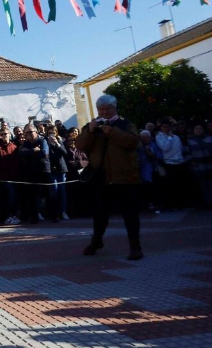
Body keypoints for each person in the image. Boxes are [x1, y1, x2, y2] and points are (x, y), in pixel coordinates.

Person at [77, 94, 144, 261]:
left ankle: (135, 247)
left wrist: (112, 132)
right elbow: (80, 146)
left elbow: (133, 142)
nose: (105, 112)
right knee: (100, 213)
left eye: (108, 108)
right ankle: (96, 241)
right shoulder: (92, 126)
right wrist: (90, 131)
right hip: (100, 177)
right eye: (101, 109)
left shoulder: (125, 124)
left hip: (125, 177)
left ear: (115, 108)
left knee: (130, 213)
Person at [18, 125, 50, 224]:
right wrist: (34, 151)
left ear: (36, 132)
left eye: (31, 132)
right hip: (31, 172)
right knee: (32, 196)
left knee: (49, 194)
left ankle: (54, 215)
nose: (29, 134)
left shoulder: (42, 141)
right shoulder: (25, 144)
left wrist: (29, 154)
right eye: (27, 133)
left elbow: (44, 153)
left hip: (43, 171)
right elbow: (21, 154)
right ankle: (34, 217)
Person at [155, 117, 187, 210]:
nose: (166, 129)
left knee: (181, 185)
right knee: (171, 186)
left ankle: (182, 204)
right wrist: (169, 137)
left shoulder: (176, 137)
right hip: (169, 163)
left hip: (180, 162)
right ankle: (173, 205)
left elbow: (180, 148)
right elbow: (165, 148)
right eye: (164, 127)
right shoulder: (159, 137)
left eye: (168, 127)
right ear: (161, 127)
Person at [186, 124, 212, 208]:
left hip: (210, 165)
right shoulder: (189, 140)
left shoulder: (210, 138)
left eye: (200, 128)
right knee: (202, 186)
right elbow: (186, 152)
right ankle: (205, 204)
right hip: (197, 166)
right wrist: (191, 161)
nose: (198, 130)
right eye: (196, 128)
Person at [45, 125, 68, 223]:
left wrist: (57, 144)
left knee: (62, 191)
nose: (51, 135)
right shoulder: (45, 142)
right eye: (49, 133)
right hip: (51, 170)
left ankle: (63, 211)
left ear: (56, 133)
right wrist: (49, 144)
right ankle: (55, 213)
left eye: (53, 133)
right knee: (54, 190)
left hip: (61, 169)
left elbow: (64, 153)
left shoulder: (60, 141)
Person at [137, 130, 162, 213]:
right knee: (145, 188)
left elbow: (160, 155)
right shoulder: (138, 146)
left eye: (146, 137)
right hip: (143, 170)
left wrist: (152, 155)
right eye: (143, 137)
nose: (145, 139)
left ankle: (155, 204)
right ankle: (147, 204)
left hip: (154, 169)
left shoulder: (153, 145)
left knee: (155, 188)